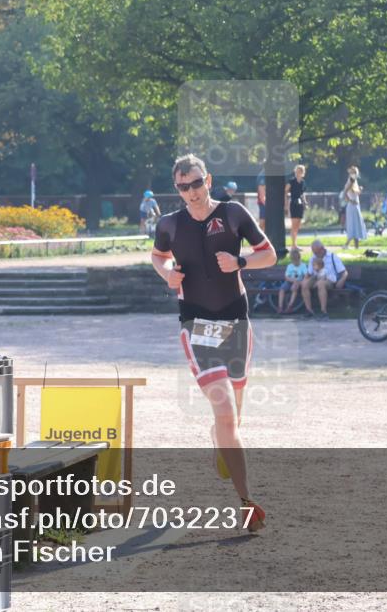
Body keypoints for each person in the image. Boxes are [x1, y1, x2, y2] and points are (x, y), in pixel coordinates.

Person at [151, 154, 276, 532]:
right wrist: (167, 274)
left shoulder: (233, 213)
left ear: (208, 180)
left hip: (237, 323)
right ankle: (246, 500)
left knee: (233, 416)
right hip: (197, 325)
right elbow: (158, 256)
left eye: (195, 184)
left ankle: (219, 439)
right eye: (182, 187)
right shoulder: (169, 224)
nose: (190, 192)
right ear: (177, 189)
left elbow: (269, 254)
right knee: (225, 412)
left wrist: (240, 262)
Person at [300, 239, 347, 320]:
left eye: (316, 252)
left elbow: (344, 272)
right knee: (304, 284)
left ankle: (323, 312)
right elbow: (309, 273)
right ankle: (309, 311)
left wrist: (342, 280)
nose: (315, 254)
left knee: (320, 283)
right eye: (314, 252)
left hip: (329, 278)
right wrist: (303, 281)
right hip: (316, 277)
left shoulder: (332, 257)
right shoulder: (313, 258)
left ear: (322, 249)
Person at [342, 166, 368, 249]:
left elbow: (354, 193)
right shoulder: (351, 181)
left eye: (356, 172)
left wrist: (360, 190)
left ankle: (356, 246)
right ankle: (346, 245)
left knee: (356, 225)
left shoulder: (354, 182)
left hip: (356, 206)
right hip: (352, 206)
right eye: (354, 172)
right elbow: (345, 193)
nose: (355, 174)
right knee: (353, 225)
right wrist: (351, 201)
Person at [278, 247, 308, 314]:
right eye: (293, 261)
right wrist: (293, 281)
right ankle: (280, 307)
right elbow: (286, 277)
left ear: (299, 258)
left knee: (294, 289)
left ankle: (290, 306)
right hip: (289, 281)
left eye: (296, 261)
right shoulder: (290, 266)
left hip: (298, 282)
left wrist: (298, 282)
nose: (294, 262)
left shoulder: (303, 266)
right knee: (282, 289)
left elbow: (306, 276)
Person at [285, 164, 307, 248]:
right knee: (294, 224)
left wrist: (305, 202)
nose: (298, 173)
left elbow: (303, 193)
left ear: (302, 173)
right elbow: (285, 191)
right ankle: (293, 244)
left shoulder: (303, 182)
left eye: (300, 172)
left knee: (298, 224)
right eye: (296, 171)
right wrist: (286, 204)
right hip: (293, 203)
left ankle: (295, 243)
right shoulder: (291, 181)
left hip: (300, 204)